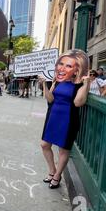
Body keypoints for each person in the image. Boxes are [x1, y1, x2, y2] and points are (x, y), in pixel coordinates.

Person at [39, 49, 90, 189]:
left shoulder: (79, 84)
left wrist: (86, 85)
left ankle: (56, 176)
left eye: (68, 66)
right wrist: (45, 85)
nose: (62, 68)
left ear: (76, 70)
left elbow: (78, 103)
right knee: (44, 145)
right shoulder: (57, 81)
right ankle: (52, 171)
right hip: (52, 117)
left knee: (63, 150)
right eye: (61, 64)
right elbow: (50, 100)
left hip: (68, 120)